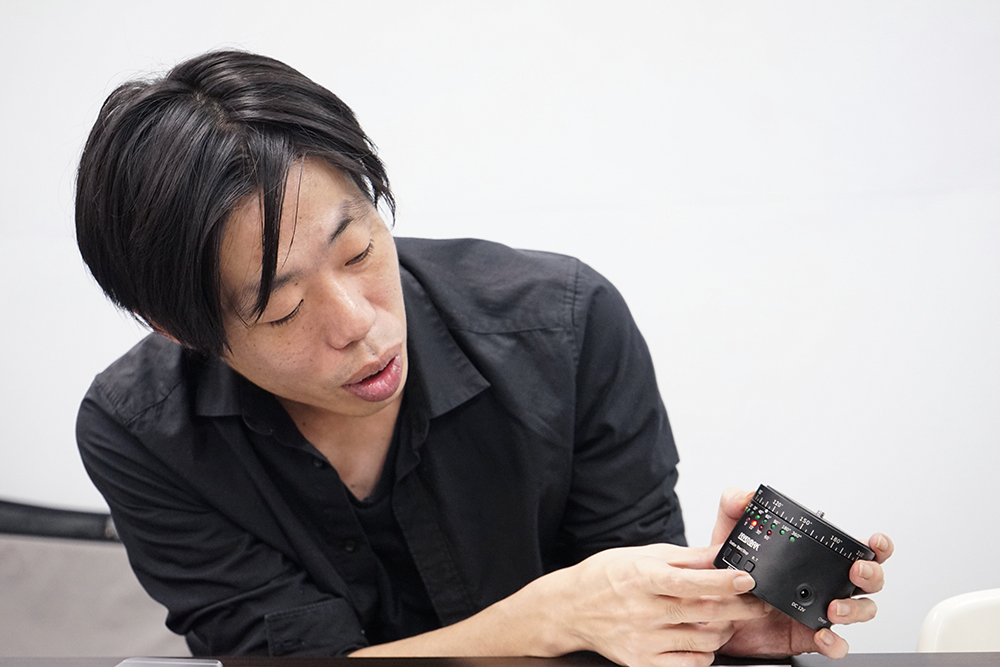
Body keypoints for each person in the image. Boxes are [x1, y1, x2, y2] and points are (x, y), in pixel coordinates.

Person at [74, 50, 891, 665]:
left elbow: (628, 631)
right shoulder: (140, 431)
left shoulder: (566, 327)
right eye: (283, 307)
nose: (360, 324)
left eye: (358, 250)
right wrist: (547, 618)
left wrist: (704, 625)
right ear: (176, 328)